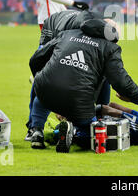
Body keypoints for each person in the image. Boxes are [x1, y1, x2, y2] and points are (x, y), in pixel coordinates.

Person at [28, 18, 138, 152]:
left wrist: (41, 76)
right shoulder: (110, 48)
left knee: (44, 94)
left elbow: (36, 59)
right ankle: (72, 132)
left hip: (46, 90)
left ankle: (37, 131)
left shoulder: (67, 34)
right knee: (93, 130)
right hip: (79, 100)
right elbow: (121, 82)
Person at [24, 8, 109, 139]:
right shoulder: (68, 33)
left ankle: (101, 118)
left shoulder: (101, 33)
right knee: (45, 79)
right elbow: (37, 59)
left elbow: (102, 77)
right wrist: (39, 78)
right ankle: (33, 127)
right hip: (53, 31)